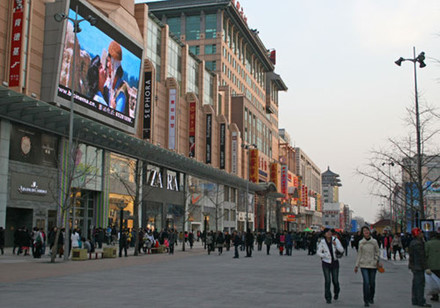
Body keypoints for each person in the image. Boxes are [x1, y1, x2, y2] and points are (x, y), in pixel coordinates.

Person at [354, 226, 381, 307]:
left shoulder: (374, 241)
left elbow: (377, 252)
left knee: (372, 283)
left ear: (369, 232)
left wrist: (376, 259)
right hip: (364, 264)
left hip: (373, 265)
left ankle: (371, 297)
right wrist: (356, 265)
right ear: (362, 233)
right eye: (364, 231)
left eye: (367, 230)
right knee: (366, 282)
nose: (366, 232)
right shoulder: (361, 242)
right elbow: (359, 254)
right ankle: (366, 300)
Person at [317, 228, 344, 304]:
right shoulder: (322, 242)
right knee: (327, 281)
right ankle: (328, 297)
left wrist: (336, 245)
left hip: (335, 263)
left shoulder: (335, 240)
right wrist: (324, 255)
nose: (329, 234)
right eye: (327, 232)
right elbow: (318, 252)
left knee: (335, 280)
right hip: (326, 263)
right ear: (324, 234)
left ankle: (336, 291)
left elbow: (342, 250)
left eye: (330, 232)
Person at [409, 227, 431, 307]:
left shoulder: (413, 242)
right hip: (418, 266)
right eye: (421, 233)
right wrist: (426, 267)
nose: (422, 234)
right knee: (420, 284)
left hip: (414, 266)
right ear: (417, 234)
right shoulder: (418, 244)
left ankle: (415, 300)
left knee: (415, 283)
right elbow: (421, 256)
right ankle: (420, 300)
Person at [107, 41, 129, 114]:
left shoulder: (121, 91)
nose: (107, 65)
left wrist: (113, 108)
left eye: (108, 61)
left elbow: (118, 115)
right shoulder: (110, 85)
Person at [425, 231, 440, 302]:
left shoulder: (428, 244)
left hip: (432, 265)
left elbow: (425, 254)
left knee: (434, 281)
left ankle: (435, 295)